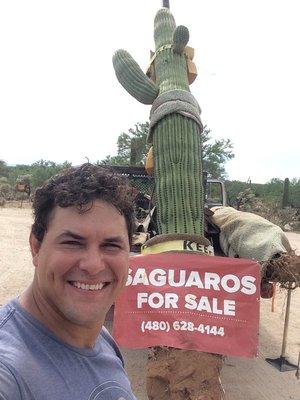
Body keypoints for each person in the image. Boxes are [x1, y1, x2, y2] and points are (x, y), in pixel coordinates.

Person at [0, 163, 137, 400]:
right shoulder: (9, 374)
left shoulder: (101, 339)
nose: (93, 265)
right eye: (72, 243)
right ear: (36, 247)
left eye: (111, 245)